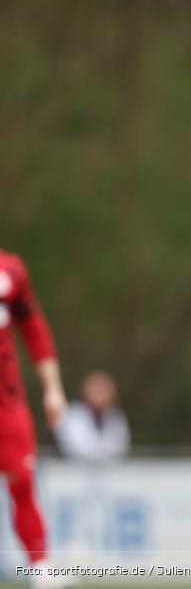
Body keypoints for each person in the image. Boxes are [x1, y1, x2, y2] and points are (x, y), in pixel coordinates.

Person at [0, 249, 74, 588]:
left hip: (6, 403)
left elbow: (34, 328)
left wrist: (53, 388)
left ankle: (41, 570)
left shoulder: (11, 271)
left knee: (24, 483)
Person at [55, 370, 130, 462]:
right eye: (97, 389)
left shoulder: (115, 415)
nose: (100, 394)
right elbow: (76, 447)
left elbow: (120, 447)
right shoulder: (72, 414)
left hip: (110, 472)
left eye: (104, 389)